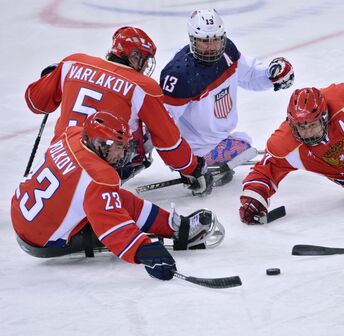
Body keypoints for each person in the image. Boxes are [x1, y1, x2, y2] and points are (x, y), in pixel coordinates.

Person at [11, 112, 225, 281]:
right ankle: (177, 229)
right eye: (118, 147)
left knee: (110, 198)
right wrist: (144, 251)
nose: (123, 154)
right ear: (100, 145)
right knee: (114, 202)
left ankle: (173, 225)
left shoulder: (72, 134)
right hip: (42, 238)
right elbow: (112, 227)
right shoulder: (100, 177)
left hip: (21, 211)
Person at [24, 26, 212, 195]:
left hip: (58, 159)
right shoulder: (143, 86)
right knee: (156, 125)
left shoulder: (72, 63)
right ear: (134, 57)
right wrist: (192, 168)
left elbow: (35, 103)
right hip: (100, 170)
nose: (146, 66)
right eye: (145, 60)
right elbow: (167, 141)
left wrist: (49, 78)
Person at [239, 74, 344, 224]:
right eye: (301, 127)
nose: (308, 132)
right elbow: (264, 171)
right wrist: (253, 200)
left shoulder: (339, 99)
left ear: (324, 117)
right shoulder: (284, 145)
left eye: (312, 125)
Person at [160, 8, 295, 186]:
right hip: (195, 150)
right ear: (192, 40)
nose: (211, 47)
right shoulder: (179, 75)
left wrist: (272, 74)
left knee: (245, 144)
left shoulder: (227, 52)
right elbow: (162, 125)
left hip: (216, 139)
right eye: (204, 42)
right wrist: (186, 164)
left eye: (216, 40)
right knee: (245, 145)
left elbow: (250, 75)